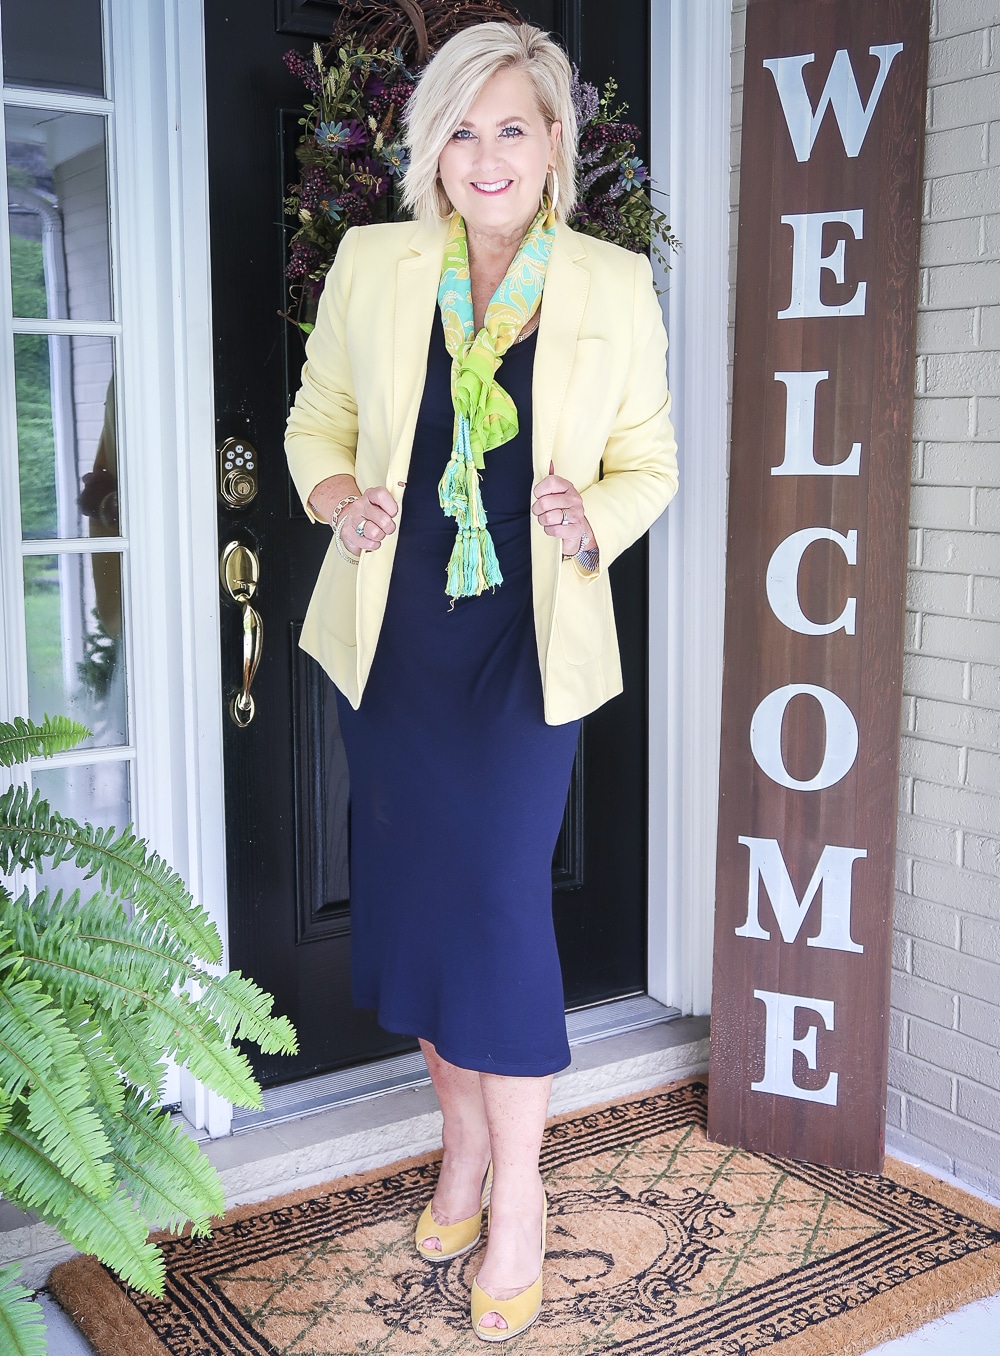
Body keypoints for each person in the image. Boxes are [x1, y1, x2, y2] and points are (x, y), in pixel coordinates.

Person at [285, 20, 678, 1341]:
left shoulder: (612, 289)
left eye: (515, 126)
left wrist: (594, 521)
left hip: (527, 645)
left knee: (500, 915)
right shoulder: (377, 268)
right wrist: (338, 495)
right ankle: (460, 1151)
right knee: (416, 914)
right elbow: (315, 424)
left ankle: (520, 1198)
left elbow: (652, 464)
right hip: (398, 643)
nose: (488, 152)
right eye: (463, 127)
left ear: (556, 143)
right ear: (431, 150)